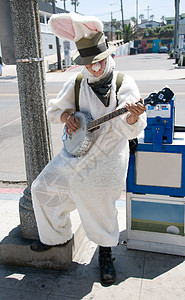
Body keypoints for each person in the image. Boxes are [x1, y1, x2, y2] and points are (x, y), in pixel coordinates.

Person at [30, 12, 146, 285]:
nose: (95, 68)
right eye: (89, 63)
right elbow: (56, 110)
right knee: (42, 187)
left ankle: (105, 252)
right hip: (75, 152)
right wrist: (67, 118)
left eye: (100, 61)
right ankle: (55, 236)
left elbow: (134, 124)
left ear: (108, 55)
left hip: (109, 156)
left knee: (95, 195)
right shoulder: (78, 81)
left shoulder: (124, 82)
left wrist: (131, 115)